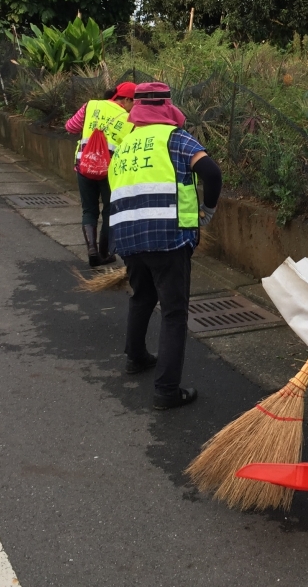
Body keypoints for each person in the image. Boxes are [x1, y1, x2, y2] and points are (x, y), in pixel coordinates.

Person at [108, 82, 222, 410]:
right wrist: (208, 212)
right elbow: (211, 173)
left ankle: (136, 357)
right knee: (174, 313)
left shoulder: (126, 144)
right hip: (168, 237)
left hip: (128, 236)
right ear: (167, 108)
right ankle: (166, 390)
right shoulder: (176, 139)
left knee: (142, 297)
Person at [65, 82, 135, 267]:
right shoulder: (129, 120)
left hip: (84, 166)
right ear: (127, 99)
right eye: (134, 102)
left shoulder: (91, 105)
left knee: (89, 210)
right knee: (110, 211)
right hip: (110, 172)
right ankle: (105, 253)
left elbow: (70, 127)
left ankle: (92, 250)